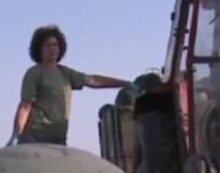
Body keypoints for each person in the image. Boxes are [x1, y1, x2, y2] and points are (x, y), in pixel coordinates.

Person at [8, 25, 136, 146]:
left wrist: (124, 83)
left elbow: (93, 80)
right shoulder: (34, 73)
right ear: (39, 48)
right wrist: (16, 134)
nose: (52, 49)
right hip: (34, 138)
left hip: (58, 139)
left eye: (55, 45)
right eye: (47, 45)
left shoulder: (65, 73)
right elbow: (25, 106)